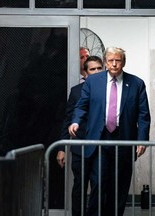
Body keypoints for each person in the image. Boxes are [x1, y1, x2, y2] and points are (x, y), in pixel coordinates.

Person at [68, 47, 151, 215]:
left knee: (119, 186)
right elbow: (82, 105)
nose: (114, 64)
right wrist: (76, 122)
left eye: (118, 60)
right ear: (105, 62)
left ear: (123, 62)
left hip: (124, 139)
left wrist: (142, 139)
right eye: (111, 60)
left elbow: (143, 115)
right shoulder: (93, 82)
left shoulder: (136, 83)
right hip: (100, 139)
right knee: (98, 183)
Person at [56, 56, 104, 216]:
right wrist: (62, 148)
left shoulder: (109, 89)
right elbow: (68, 119)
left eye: (99, 68)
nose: (96, 72)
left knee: (99, 184)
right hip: (80, 147)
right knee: (80, 186)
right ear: (85, 73)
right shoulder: (76, 91)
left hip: (100, 147)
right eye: (92, 69)